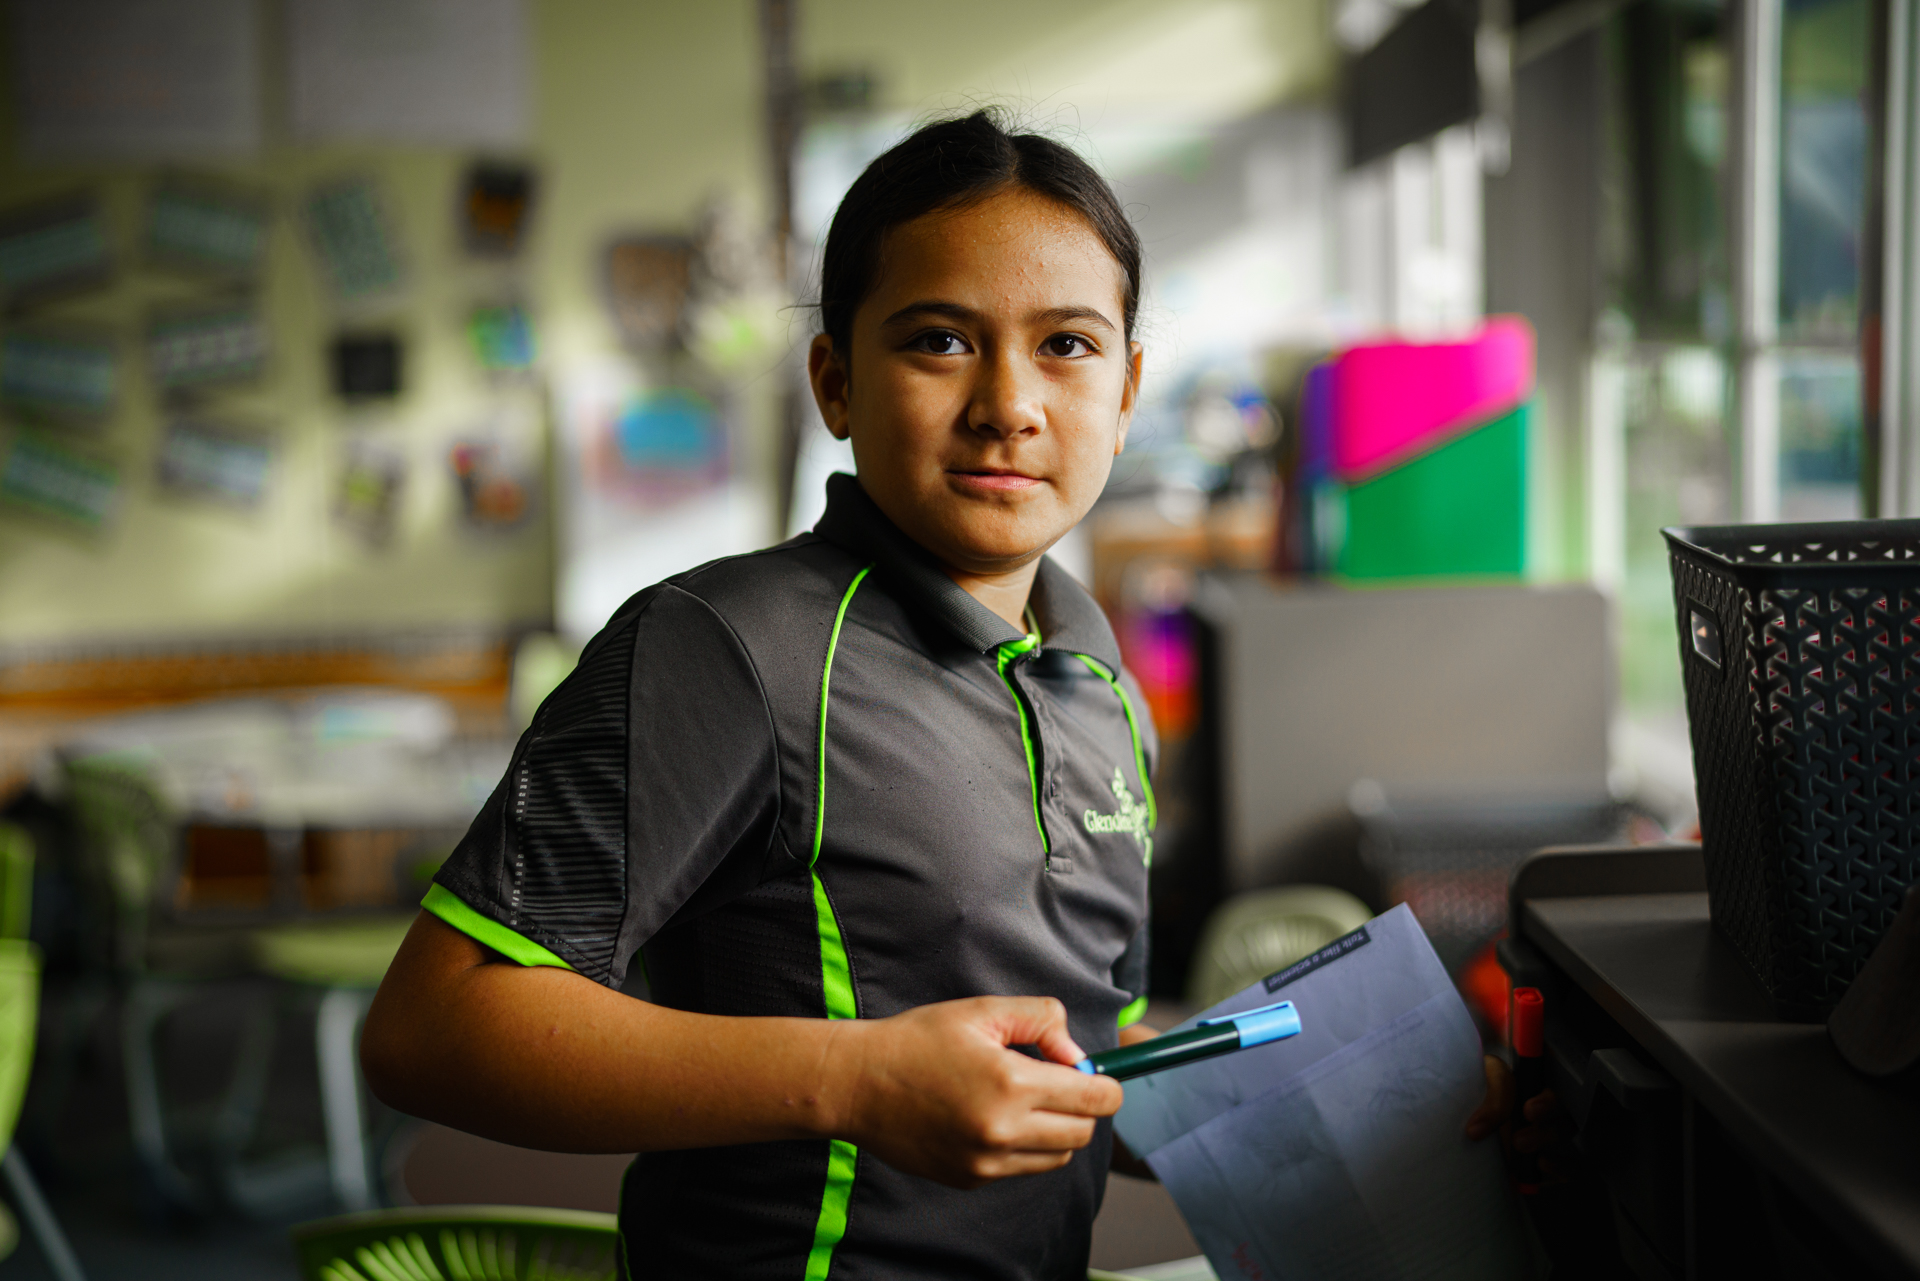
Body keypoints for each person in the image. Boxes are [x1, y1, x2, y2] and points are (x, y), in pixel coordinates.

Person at [362, 109, 1531, 1281]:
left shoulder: (1096, 673)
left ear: (1126, 395)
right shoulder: (724, 648)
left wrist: (1387, 1098)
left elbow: (1082, 1053)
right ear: (836, 380)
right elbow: (431, 1028)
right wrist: (858, 1080)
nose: (1008, 405)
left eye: (1067, 347)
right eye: (938, 340)